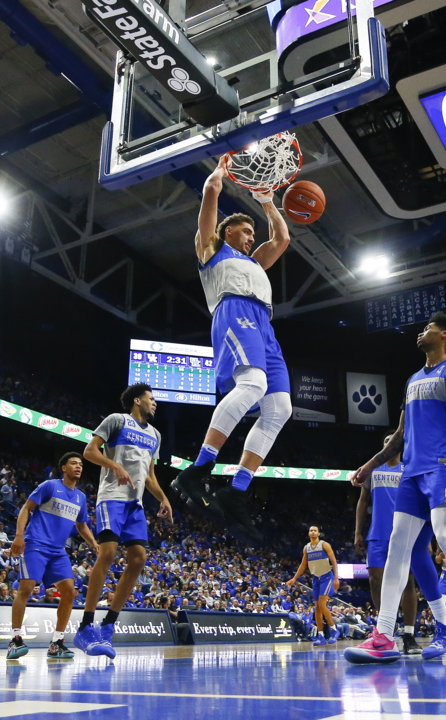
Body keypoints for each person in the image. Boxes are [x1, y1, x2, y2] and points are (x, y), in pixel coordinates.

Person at [346, 313, 446, 664]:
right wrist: (370, 465)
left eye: (429, 328)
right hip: (411, 474)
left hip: (441, 468)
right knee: (397, 547)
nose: (421, 332)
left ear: (445, 335)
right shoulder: (413, 379)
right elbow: (400, 434)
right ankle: (384, 634)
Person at [171, 155, 293, 538]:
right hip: (233, 312)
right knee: (252, 384)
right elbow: (210, 189)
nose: (251, 238)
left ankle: (237, 489)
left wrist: (267, 199)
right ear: (227, 234)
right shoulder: (212, 251)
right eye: (244, 232)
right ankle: (199, 469)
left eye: (252, 234)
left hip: (263, 325)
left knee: (280, 407)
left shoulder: (256, 262)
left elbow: (283, 239)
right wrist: (223, 165)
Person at [75, 385, 173, 659]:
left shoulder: (155, 435)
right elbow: (89, 451)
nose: (155, 404)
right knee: (107, 553)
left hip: (136, 503)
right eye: (151, 399)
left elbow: (150, 475)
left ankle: (108, 625)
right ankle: (85, 626)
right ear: (137, 400)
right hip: (112, 497)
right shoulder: (116, 420)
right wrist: (115, 466)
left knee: (139, 559)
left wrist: (163, 498)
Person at [6, 452, 96, 660]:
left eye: (81, 464)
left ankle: (56, 643)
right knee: (26, 589)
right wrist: (19, 536)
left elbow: (81, 525)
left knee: (69, 592)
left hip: (58, 550)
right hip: (36, 544)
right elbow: (26, 508)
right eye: (73, 463)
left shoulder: (81, 498)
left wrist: (94, 544)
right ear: (64, 468)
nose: (78, 467)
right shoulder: (49, 486)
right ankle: (15, 639)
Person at [353, 437, 421, 655]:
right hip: (378, 533)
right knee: (374, 580)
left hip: (404, 531)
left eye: (391, 441)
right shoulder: (374, 469)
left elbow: (421, 502)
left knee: (408, 581)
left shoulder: (408, 469)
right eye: (384, 442)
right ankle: (385, 628)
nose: (387, 444)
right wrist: (357, 532)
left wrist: (426, 538)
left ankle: (409, 635)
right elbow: (363, 501)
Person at [286, 526, 340, 646]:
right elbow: (303, 565)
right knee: (317, 608)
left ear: (319, 533)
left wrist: (336, 578)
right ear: (308, 533)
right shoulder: (307, 548)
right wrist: (294, 578)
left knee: (322, 604)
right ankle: (321, 636)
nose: (313, 532)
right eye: (311, 530)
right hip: (316, 578)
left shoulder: (324, 545)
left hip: (327, 576)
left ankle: (335, 630)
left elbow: (334, 561)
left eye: (315, 530)